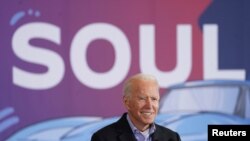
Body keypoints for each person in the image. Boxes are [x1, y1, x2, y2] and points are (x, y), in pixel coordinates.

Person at [91, 73, 181, 141]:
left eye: (154, 99)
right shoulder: (103, 138)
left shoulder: (172, 138)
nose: (149, 106)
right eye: (142, 98)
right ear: (127, 102)